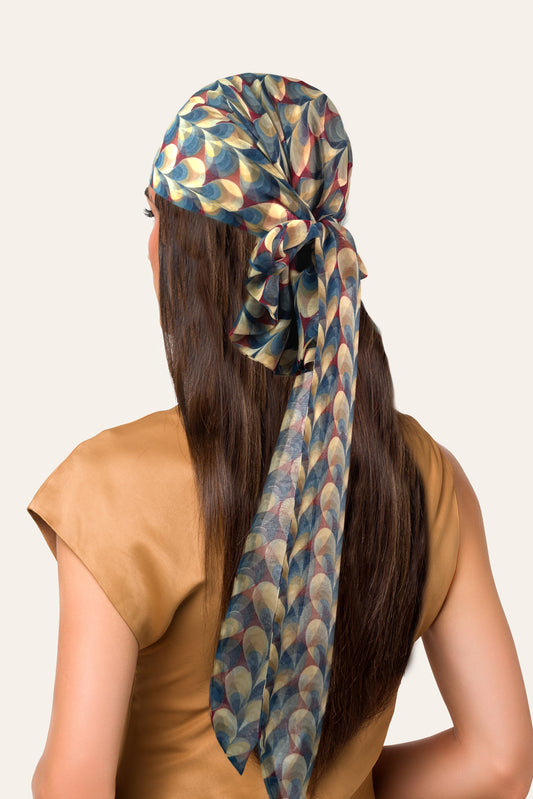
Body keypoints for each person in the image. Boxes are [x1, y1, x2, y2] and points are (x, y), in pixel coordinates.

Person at [27, 73, 533, 799]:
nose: (149, 242)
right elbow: (499, 760)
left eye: (155, 214)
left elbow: (73, 785)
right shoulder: (425, 476)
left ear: (192, 253)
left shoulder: (113, 486)